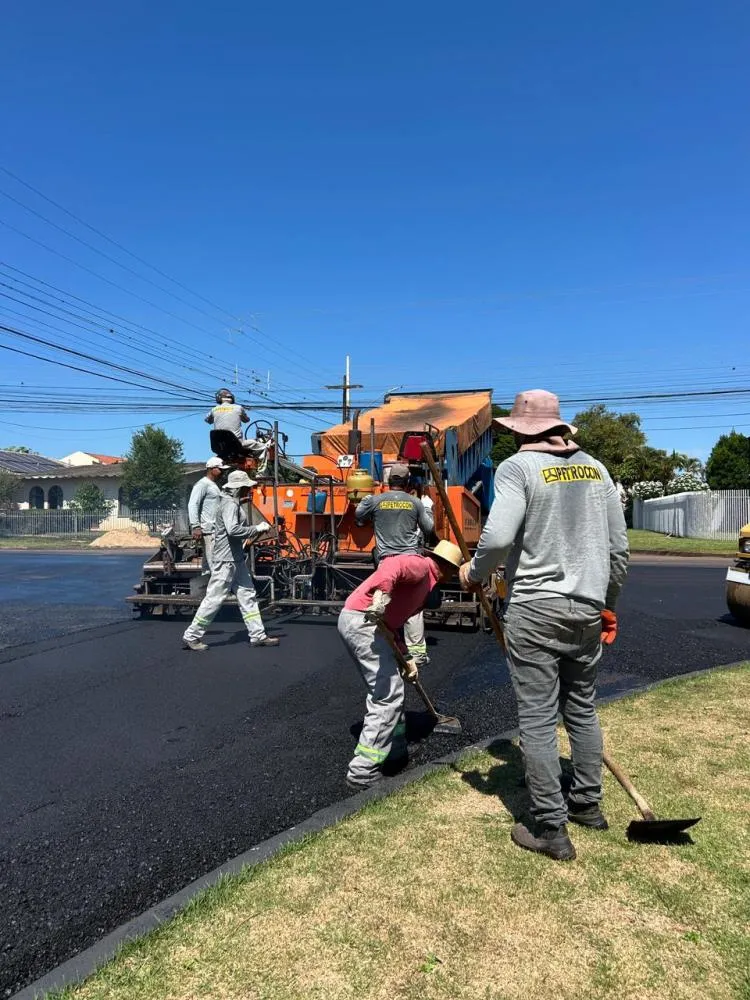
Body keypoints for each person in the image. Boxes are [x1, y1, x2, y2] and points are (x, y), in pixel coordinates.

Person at [459, 389, 629, 861]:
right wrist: (607, 604)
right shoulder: (596, 469)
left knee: (536, 718)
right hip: (587, 609)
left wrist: (473, 573)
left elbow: (497, 537)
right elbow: (619, 550)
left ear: (520, 432)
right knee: (582, 709)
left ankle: (551, 828)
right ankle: (588, 806)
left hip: (536, 609)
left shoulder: (519, 469)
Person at [338, 540, 463, 790]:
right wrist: (381, 595)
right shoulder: (421, 566)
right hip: (364, 621)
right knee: (389, 696)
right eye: (453, 572)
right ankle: (362, 771)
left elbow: (392, 627)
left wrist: (405, 659)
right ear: (448, 568)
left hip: (368, 625)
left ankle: (388, 751)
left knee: (387, 690)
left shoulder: (424, 585)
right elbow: (390, 566)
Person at [182, 470, 280, 651]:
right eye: (246, 487)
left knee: (247, 595)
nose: (248, 490)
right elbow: (233, 530)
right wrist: (256, 529)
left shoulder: (233, 503)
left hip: (236, 559)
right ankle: (192, 636)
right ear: (238, 488)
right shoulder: (229, 504)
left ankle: (257, 635)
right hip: (225, 560)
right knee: (214, 598)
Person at [355, 463, 435, 667]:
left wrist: (364, 501)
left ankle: (386, 648)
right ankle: (417, 653)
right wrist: (428, 509)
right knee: (413, 607)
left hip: (387, 563)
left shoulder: (376, 501)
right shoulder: (415, 502)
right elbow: (429, 529)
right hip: (411, 561)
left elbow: (359, 517)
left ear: (388, 482)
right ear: (408, 482)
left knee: (386, 603)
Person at [205, 388, 270, 475]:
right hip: (237, 445)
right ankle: (260, 473)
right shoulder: (238, 408)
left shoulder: (214, 409)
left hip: (220, 448)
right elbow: (246, 420)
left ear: (219, 398)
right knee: (263, 447)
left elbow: (207, 420)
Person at [187, 457, 229, 575]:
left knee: (208, 567)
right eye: (220, 469)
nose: (222, 472)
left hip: (214, 530)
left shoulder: (213, 485)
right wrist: (195, 526)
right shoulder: (202, 484)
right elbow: (193, 504)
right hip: (209, 531)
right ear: (212, 469)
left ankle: (205, 589)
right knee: (215, 565)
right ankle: (217, 592)